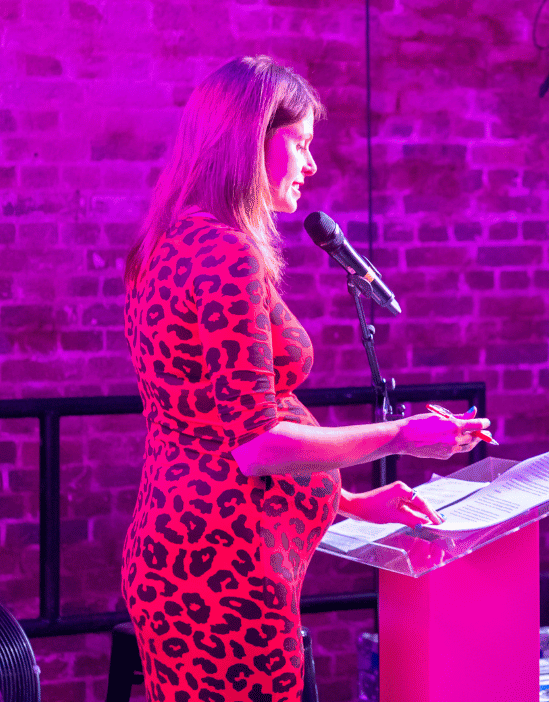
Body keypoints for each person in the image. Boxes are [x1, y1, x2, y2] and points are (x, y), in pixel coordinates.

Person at [120, 57, 491, 702]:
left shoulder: (167, 241)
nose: (311, 165)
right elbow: (256, 443)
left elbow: (208, 423)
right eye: (301, 143)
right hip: (225, 570)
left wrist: (344, 502)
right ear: (251, 139)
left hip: (183, 545)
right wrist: (405, 433)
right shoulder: (225, 253)